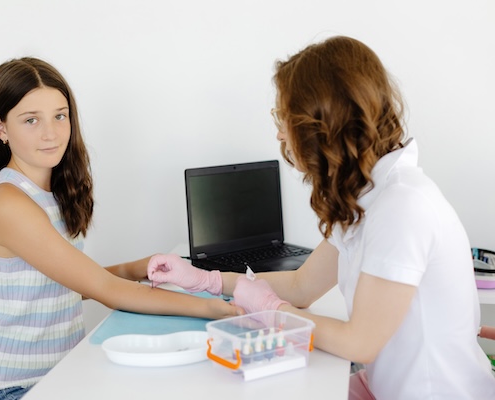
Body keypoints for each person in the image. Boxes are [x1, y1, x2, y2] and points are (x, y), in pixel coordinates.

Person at [147, 36, 495, 399]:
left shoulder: (403, 207)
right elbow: (302, 286)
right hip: (384, 386)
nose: (280, 133)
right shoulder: (365, 195)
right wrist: (207, 279)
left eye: (285, 119)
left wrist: (271, 310)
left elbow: (359, 344)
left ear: (322, 124)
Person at [0, 57, 240, 400]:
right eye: (31, 120)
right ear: (1, 128)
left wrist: (139, 267)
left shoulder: (51, 193)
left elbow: (62, 285)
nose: (51, 133)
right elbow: (104, 287)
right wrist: (214, 308)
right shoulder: (7, 203)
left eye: (60, 116)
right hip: (11, 388)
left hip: (61, 375)